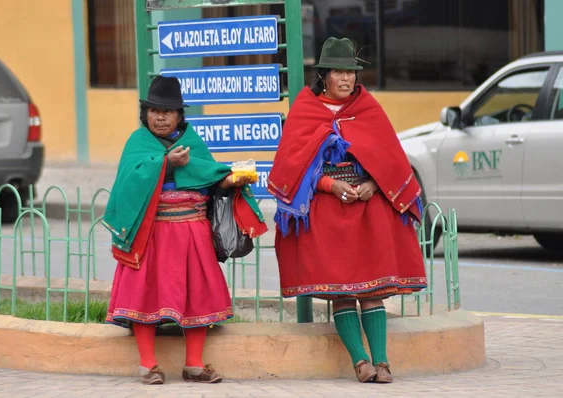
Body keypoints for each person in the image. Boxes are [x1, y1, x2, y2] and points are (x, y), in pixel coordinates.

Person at [268, 37, 427, 383]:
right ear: (323, 75)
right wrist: (330, 185)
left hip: (369, 210)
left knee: (372, 291)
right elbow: (293, 166)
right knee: (342, 291)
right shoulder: (306, 109)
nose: (346, 79)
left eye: (351, 72)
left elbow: (388, 157)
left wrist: (373, 182)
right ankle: (360, 362)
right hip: (328, 211)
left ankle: (382, 362)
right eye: (338, 72)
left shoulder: (368, 107)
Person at [103, 76, 267, 385]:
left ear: (180, 115)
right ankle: (148, 365)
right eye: (153, 110)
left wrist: (233, 181)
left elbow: (209, 175)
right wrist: (165, 164)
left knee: (198, 293)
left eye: (167, 111)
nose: (160, 117)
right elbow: (127, 184)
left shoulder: (193, 143)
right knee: (143, 293)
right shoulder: (137, 143)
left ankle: (194, 364)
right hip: (150, 234)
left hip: (193, 231)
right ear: (145, 114)